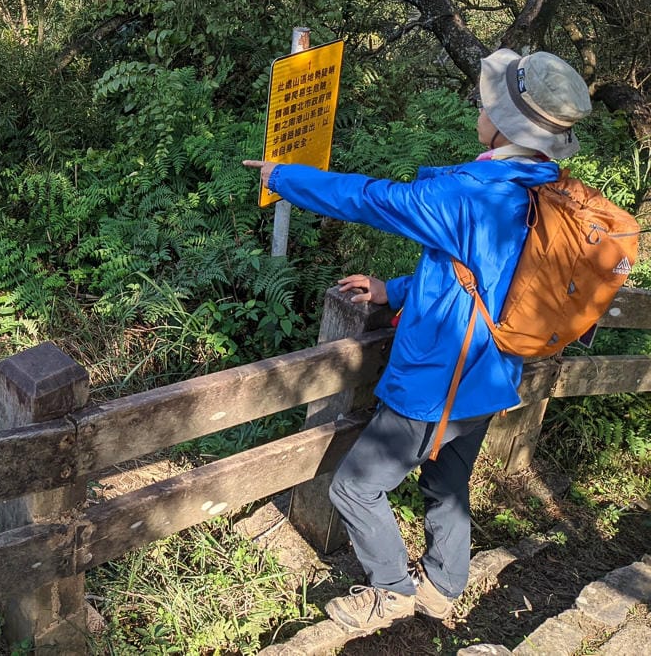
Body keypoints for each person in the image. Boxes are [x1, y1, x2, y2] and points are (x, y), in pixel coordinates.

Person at [243, 48, 593, 633]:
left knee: (355, 489)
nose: (478, 110)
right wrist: (396, 290)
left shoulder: (471, 195)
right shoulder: (541, 186)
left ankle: (392, 592)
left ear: (504, 124)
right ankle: (444, 587)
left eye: (487, 106)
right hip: (490, 375)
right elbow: (486, 270)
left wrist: (282, 176)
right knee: (446, 482)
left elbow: (371, 198)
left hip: (440, 378)